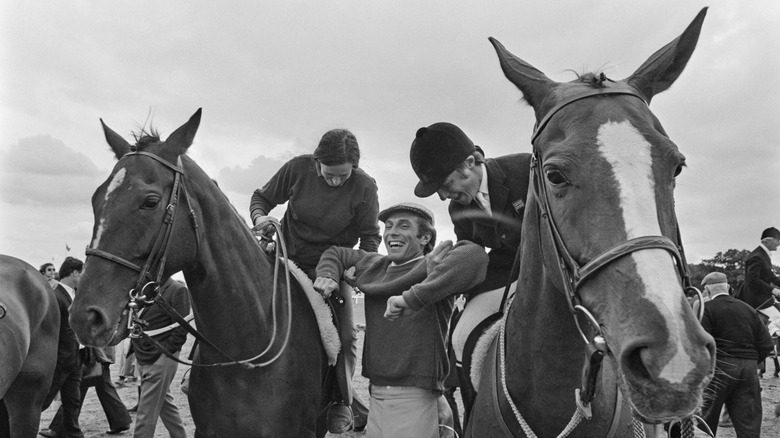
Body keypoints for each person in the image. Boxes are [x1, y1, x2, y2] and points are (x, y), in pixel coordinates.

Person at [314, 202, 488, 437]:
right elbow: (336, 253)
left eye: (403, 226)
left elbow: (475, 255)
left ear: (425, 238)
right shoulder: (375, 265)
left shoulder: (437, 268)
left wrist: (415, 294)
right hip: (376, 393)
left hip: (415, 394)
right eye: (388, 226)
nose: (392, 232)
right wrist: (328, 274)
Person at [249, 128, 379, 432]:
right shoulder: (297, 168)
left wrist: (355, 268)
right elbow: (261, 198)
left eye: (342, 176)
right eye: (329, 175)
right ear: (316, 162)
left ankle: (340, 401)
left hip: (332, 270)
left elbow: (371, 237)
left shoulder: (365, 187)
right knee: (240, 300)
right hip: (285, 258)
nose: (335, 181)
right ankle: (201, 373)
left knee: (345, 336)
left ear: (355, 169)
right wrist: (260, 218)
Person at [408, 122, 531, 422]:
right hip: (505, 273)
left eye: (444, 184)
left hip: (555, 267)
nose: (441, 196)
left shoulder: (528, 170)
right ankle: (476, 417)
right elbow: (473, 254)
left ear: (470, 164)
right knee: (461, 334)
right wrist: (444, 271)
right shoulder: (458, 209)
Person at [698, 271, 774, 437]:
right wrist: (752, 361)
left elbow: (701, 344)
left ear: (708, 291)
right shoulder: (748, 309)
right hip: (748, 369)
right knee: (748, 423)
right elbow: (767, 344)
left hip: (719, 368)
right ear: (728, 287)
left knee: (705, 421)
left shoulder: (707, 309)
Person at [129, 278, 190, 438]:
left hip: (161, 357)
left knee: (145, 412)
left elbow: (181, 327)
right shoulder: (148, 289)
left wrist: (166, 352)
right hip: (144, 355)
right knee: (164, 404)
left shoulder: (177, 290)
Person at [40, 257, 85, 438]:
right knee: (42, 401)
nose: (83, 277)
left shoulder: (74, 294)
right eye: (82, 273)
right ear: (74, 273)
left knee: (72, 401)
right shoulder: (55, 296)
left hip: (76, 358)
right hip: (60, 360)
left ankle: (74, 434)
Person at [43, 346, 132, 437]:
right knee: (101, 385)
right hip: (100, 351)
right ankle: (120, 421)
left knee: (77, 387)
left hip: (95, 351)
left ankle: (60, 429)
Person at [740, 226, 780, 323]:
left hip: (763, 297)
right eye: (777, 240)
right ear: (768, 241)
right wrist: (775, 291)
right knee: (777, 319)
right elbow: (753, 280)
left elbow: (770, 276)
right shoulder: (757, 256)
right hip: (755, 299)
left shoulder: (763, 255)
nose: (779, 243)